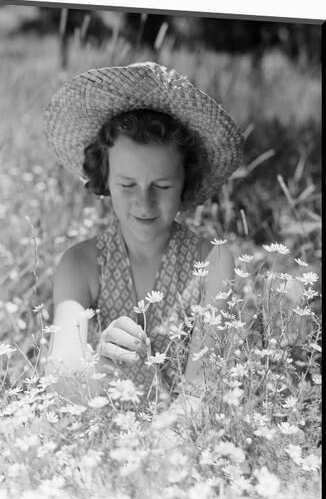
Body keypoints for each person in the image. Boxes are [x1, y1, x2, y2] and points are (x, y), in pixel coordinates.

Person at [43, 61, 243, 403]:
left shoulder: (212, 261)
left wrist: (162, 446)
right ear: (105, 178)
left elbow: (203, 390)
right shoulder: (81, 264)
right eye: (127, 184)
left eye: (162, 185)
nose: (144, 203)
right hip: (100, 442)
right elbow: (61, 376)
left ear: (186, 182)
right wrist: (96, 366)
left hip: (184, 443)